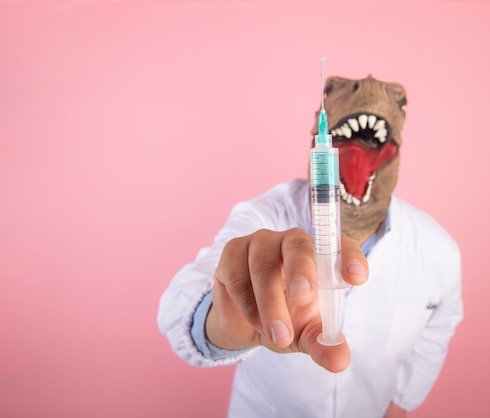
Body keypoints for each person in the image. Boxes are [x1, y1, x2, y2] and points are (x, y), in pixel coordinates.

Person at [157, 75, 463, 418]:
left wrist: (402, 404)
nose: (368, 84)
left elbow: (438, 329)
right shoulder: (263, 217)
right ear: (319, 143)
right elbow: (177, 306)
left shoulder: (438, 251)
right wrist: (220, 321)